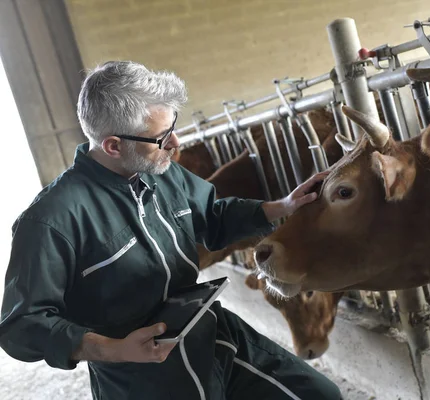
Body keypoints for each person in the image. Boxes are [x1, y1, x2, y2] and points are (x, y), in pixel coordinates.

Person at [0, 61, 341, 400]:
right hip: (139, 376)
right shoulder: (51, 220)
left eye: (173, 125)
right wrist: (114, 349)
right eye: (161, 137)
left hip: (211, 333)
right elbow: (22, 325)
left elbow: (212, 215)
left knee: (320, 395)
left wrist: (283, 206)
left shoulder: (159, 171)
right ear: (113, 146)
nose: (175, 142)